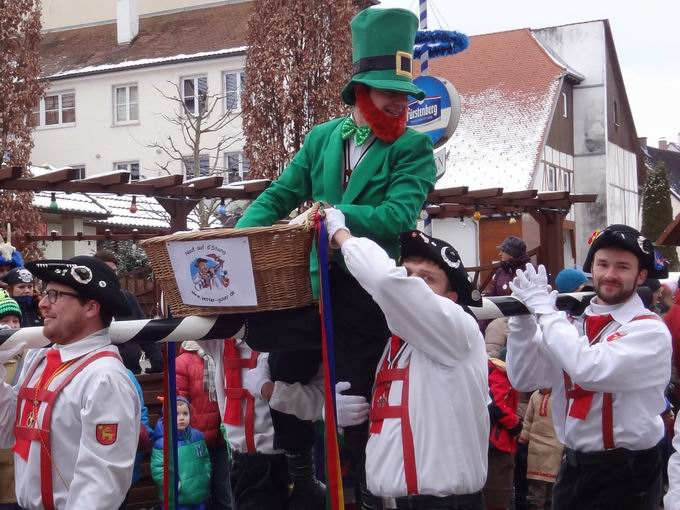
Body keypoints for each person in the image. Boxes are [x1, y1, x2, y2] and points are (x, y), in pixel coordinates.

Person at [233, 7, 436, 508]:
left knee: (358, 395)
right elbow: (281, 194)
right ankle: (302, 474)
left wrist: (331, 213)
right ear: (361, 90)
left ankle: (369, 491)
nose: (399, 102)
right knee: (283, 367)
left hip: (367, 289)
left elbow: (396, 216)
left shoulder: (415, 149)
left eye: (404, 94)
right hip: (311, 281)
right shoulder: (323, 137)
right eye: (389, 91)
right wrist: (236, 237)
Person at [326, 211, 489, 509]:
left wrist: (342, 237)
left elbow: (387, 283)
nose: (412, 284)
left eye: (426, 279)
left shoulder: (457, 328)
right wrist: (330, 414)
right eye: (408, 274)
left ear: (451, 298)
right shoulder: (394, 349)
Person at [506, 224, 671, 510]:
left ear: (641, 275)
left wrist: (545, 311)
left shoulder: (650, 331)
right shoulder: (571, 326)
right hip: (572, 465)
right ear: (591, 269)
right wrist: (522, 323)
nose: (610, 275)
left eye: (622, 267)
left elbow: (589, 369)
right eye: (603, 264)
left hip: (628, 470)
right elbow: (524, 378)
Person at [0, 255, 141, 509]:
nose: (42, 303)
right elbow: (6, 432)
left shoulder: (105, 378)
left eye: (54, 294)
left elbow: (100, 487)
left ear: (91, 308)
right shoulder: (39, 358)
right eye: (45, 293)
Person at [199, 336, 324, 510]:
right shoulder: (223, 341)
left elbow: (323, 400)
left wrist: (271, 390)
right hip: (243, 462)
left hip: (287, 459)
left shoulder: (290, 340)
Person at [176, 341, 233, 510]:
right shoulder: (183, 362)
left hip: (222, 439)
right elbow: (180, 405)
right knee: (199, 494)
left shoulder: (223, 357)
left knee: (224, 493)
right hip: (194, 444)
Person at [93, 250, 163, 374]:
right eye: (106, 270)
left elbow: (143, 330)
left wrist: (157, 361)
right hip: (97, 370)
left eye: (114, 271)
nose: (111, 275)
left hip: (131, 370)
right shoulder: (87, 302)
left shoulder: (128, 298)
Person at [151, 397, 212, 510]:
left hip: (199, 494)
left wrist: (206, 475)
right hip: (177, 498)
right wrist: (174, 485)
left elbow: (205, 458)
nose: (182, 418)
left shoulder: (197, 436)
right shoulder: (163, 443)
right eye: (177, 414)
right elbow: (158, 469)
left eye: (185, 413)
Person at [484, 356, 522, 510]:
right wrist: (516, 424)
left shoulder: (502, 374)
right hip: (498, 441)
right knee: (497, 490)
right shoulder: (500, 375)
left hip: (503, 441)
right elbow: (496, 406)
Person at [518, 388, 564, 510]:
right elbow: (528, 420)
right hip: (536, 449)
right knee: (536, 491)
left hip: (555, 448)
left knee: (552, 490)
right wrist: (523, 439)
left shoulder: (561, 395)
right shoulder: (534, 396)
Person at [0, 291, 23, 510]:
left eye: (15, 320)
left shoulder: (30, 356)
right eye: (4, 321)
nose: (11, 326)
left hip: (18, 456)